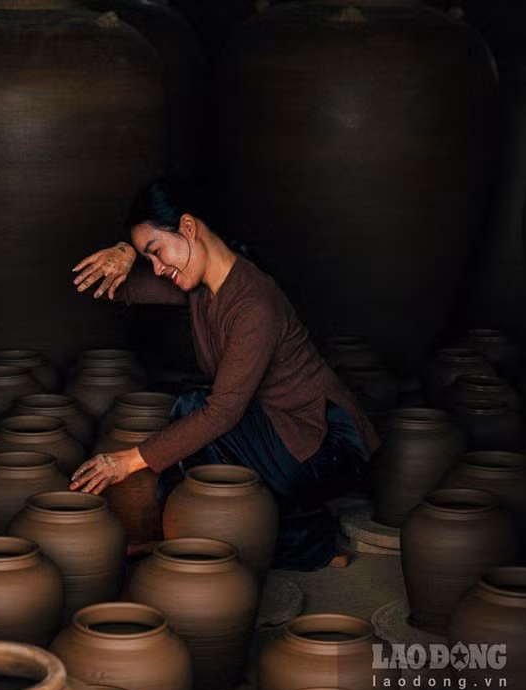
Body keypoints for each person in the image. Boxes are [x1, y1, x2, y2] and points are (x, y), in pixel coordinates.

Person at [68, 178, 380, 569]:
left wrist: (128, 461)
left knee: (198, 410)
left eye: (158, 252)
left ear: (187, 228)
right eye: (150, 260)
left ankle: (276, 540)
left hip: (329, 445)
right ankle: (223, 537)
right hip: (286, 432)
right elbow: (118, 287)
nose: (159, 268)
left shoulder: (254, 303)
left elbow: (224, 413)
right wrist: (124, 252)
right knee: (198, 417)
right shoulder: (201, 285)